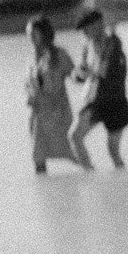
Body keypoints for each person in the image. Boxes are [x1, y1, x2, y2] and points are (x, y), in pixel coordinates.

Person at [70, 8, 128, 170]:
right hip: (95, 101)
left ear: (98, 25)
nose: (84, 32)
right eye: (82, 29)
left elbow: (103, 71)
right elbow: (81, 75)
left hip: (115, 101)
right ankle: (90, 176)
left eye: (86, 28)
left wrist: (88, 71)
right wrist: (78, 74)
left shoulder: (112, 42)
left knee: (113, 152)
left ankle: (122, 188)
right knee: (75, 137)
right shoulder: (87, 45)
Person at [24, 15, 76, 173]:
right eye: (28, 34)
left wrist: (84, 72)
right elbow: (29, 86)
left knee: (70, 153)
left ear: (44, 34)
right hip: (38, 114)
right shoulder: (32, 60)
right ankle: (45, 192)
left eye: (34, 33)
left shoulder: (58, 55)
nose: (30, 37)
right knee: (38, 157)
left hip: (57, 112)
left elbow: (73, 74)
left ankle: (92, 174)